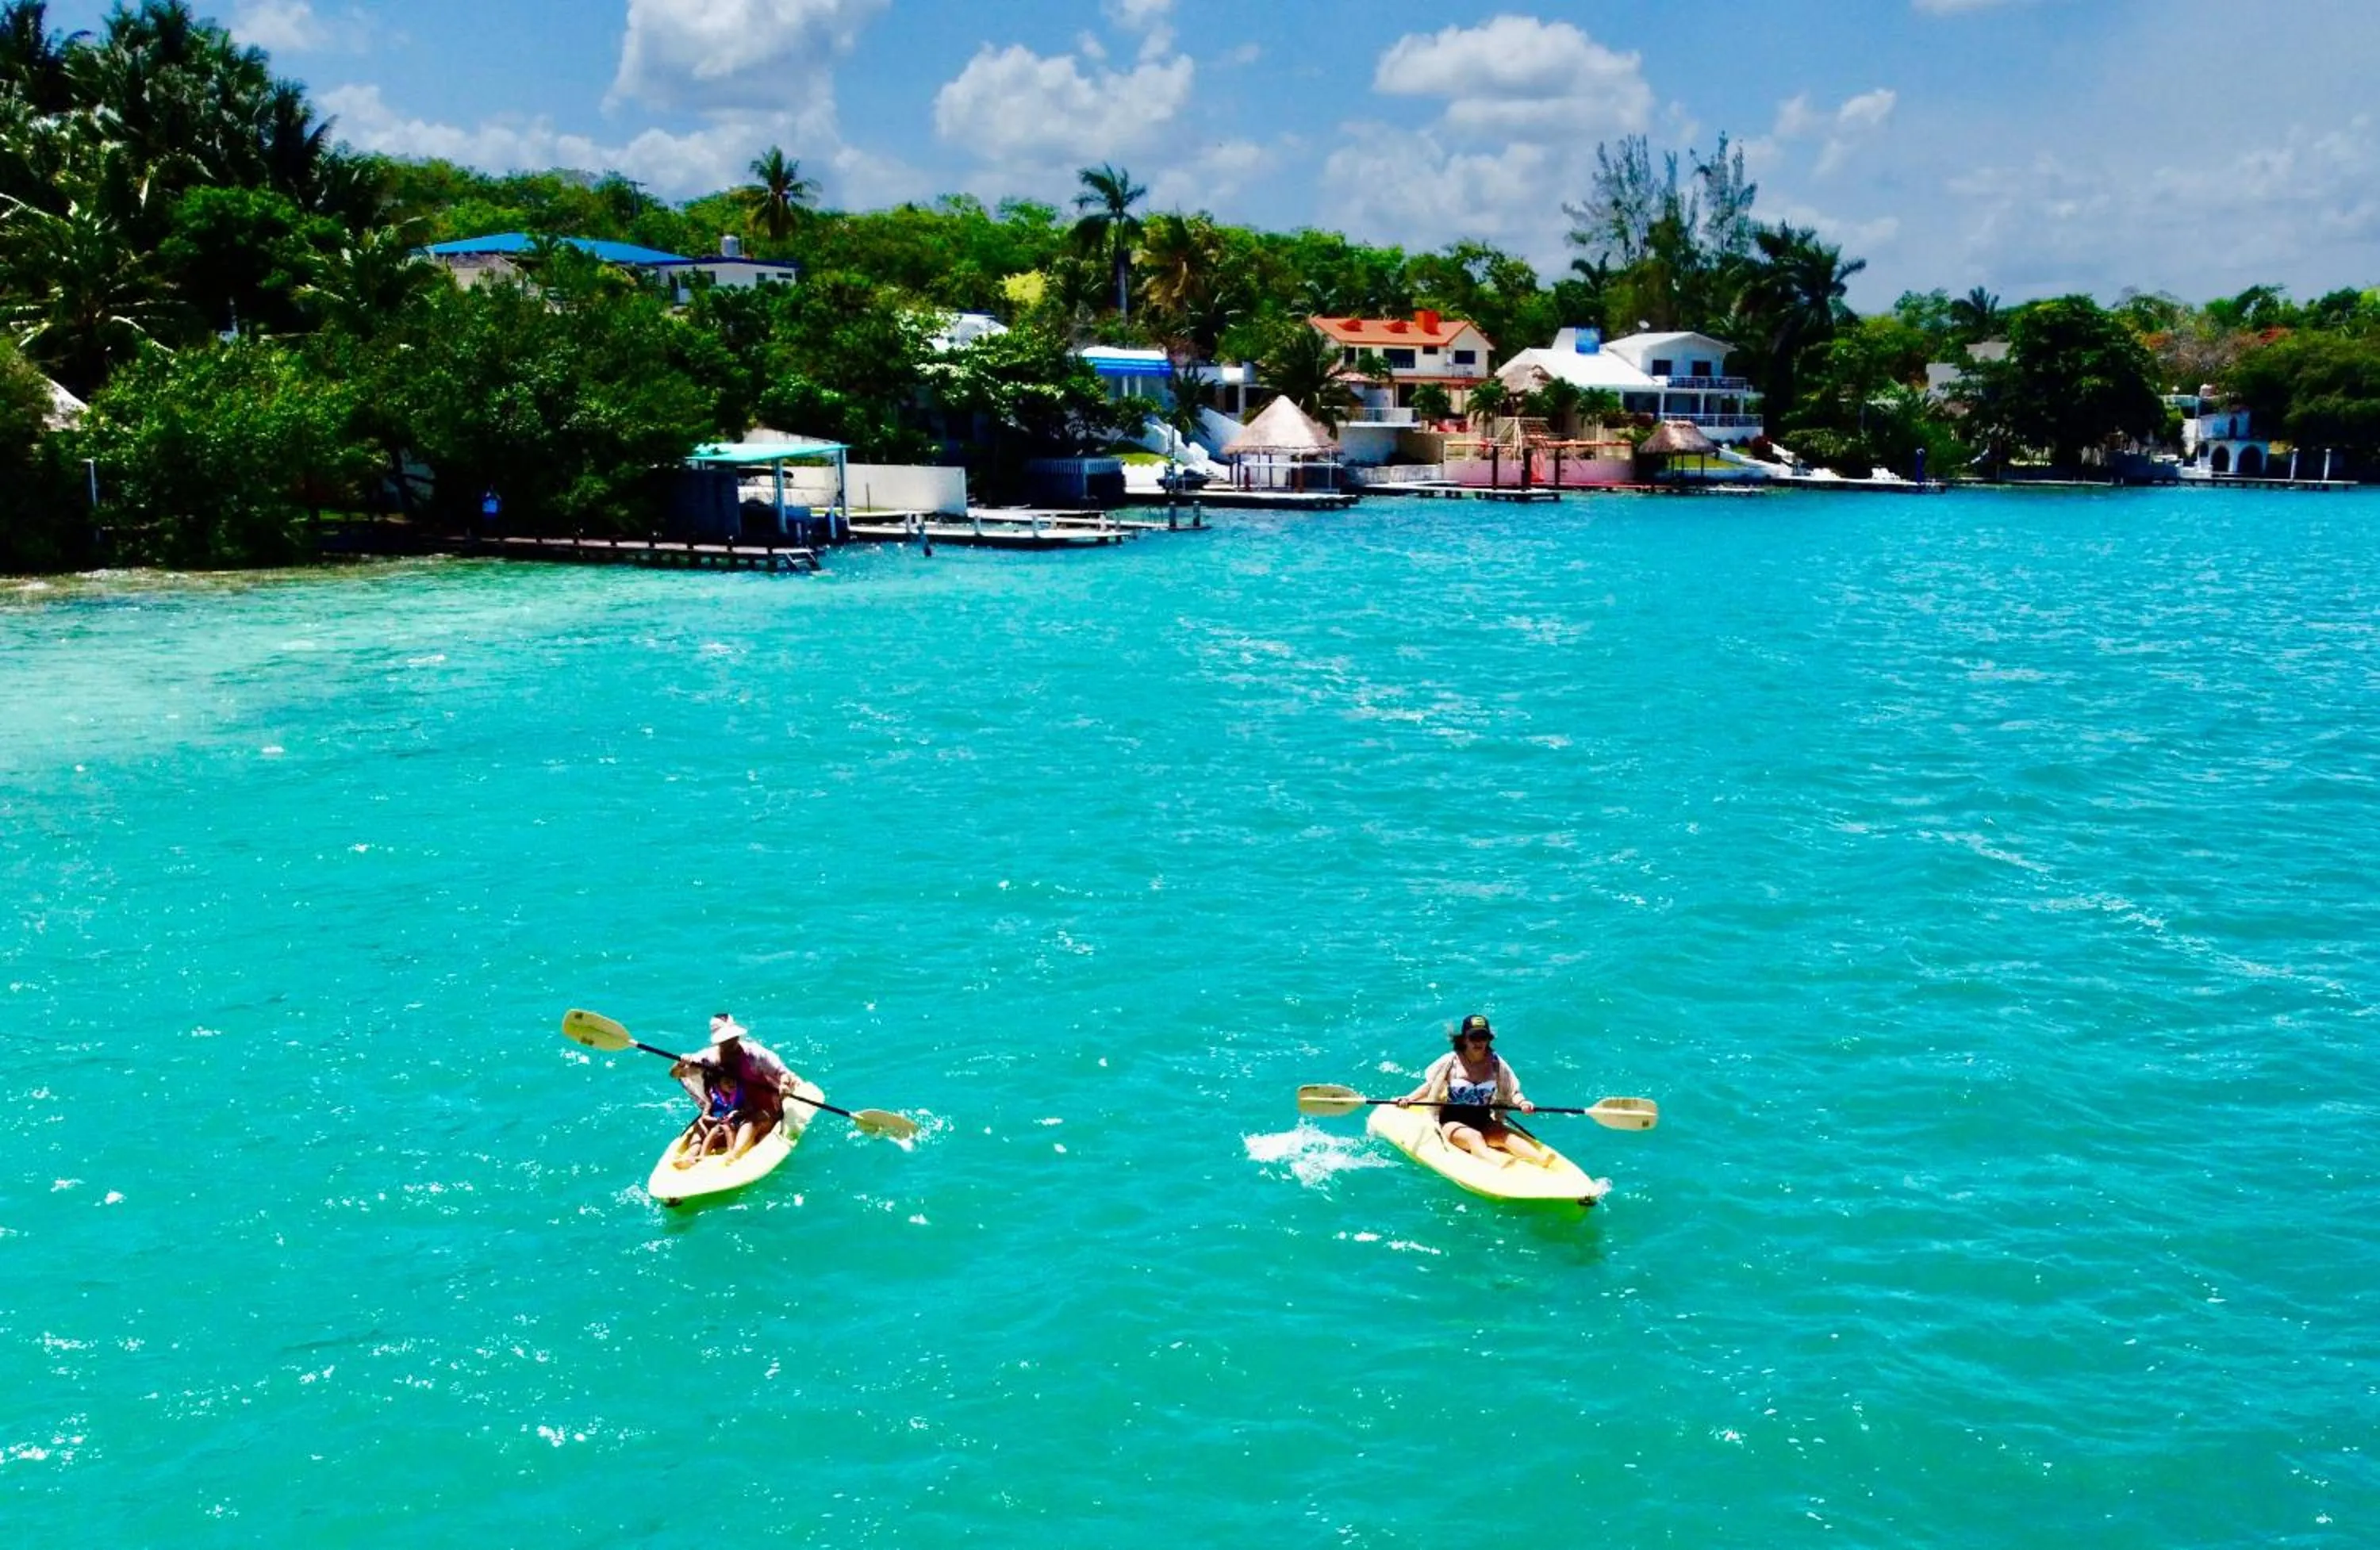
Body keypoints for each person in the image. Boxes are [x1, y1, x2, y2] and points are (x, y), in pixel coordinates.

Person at [1397, 1012, 1544, 1164]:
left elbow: (1512, 1091)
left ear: (1489, 1039)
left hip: (1483, 1121)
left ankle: (1545, 1163)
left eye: (1483, 1037)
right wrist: (1409, 1099)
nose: (1478, 1042)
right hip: (1452, 1123)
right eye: (1473, 1037)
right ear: (1464, 1039)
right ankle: (1499, 1167)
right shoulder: (1451, 1061)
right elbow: (1431, 1086)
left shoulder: (1496, 1064)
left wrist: (1523, 1103)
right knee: (1474, 1137)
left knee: (1507, 1137)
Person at [670, 1013, 795, 1164]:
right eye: (726, 1040)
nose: (731, 1043)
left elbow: (783, 1073)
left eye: (733, 1038)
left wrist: (783, 1084)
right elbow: (675, 1074)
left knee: (752, 1120)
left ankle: (734, 1155)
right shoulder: (706, 1059)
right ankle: (691, 1156)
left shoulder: (756, 1054)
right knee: (701, 1127)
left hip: (762, 1110)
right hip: (727, 1113)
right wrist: (680, 1064)